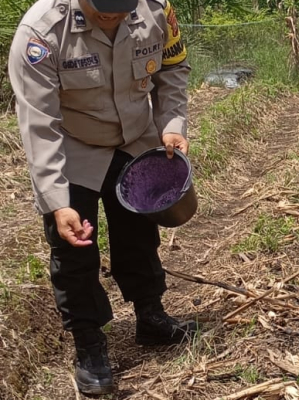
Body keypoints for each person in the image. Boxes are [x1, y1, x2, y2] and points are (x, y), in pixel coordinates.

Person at [8, 0, 196, 394]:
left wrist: (173, 123)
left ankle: (151, 315)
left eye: (121, 9)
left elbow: (174, 69)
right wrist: (58, 202)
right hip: (74, 147)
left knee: (139, 233)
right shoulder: (41, 33)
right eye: (102, 8)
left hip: (134, 138)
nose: (112, 17)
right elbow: (39, 126)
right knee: (74, 248)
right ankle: (89, 345)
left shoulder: (156, 10)